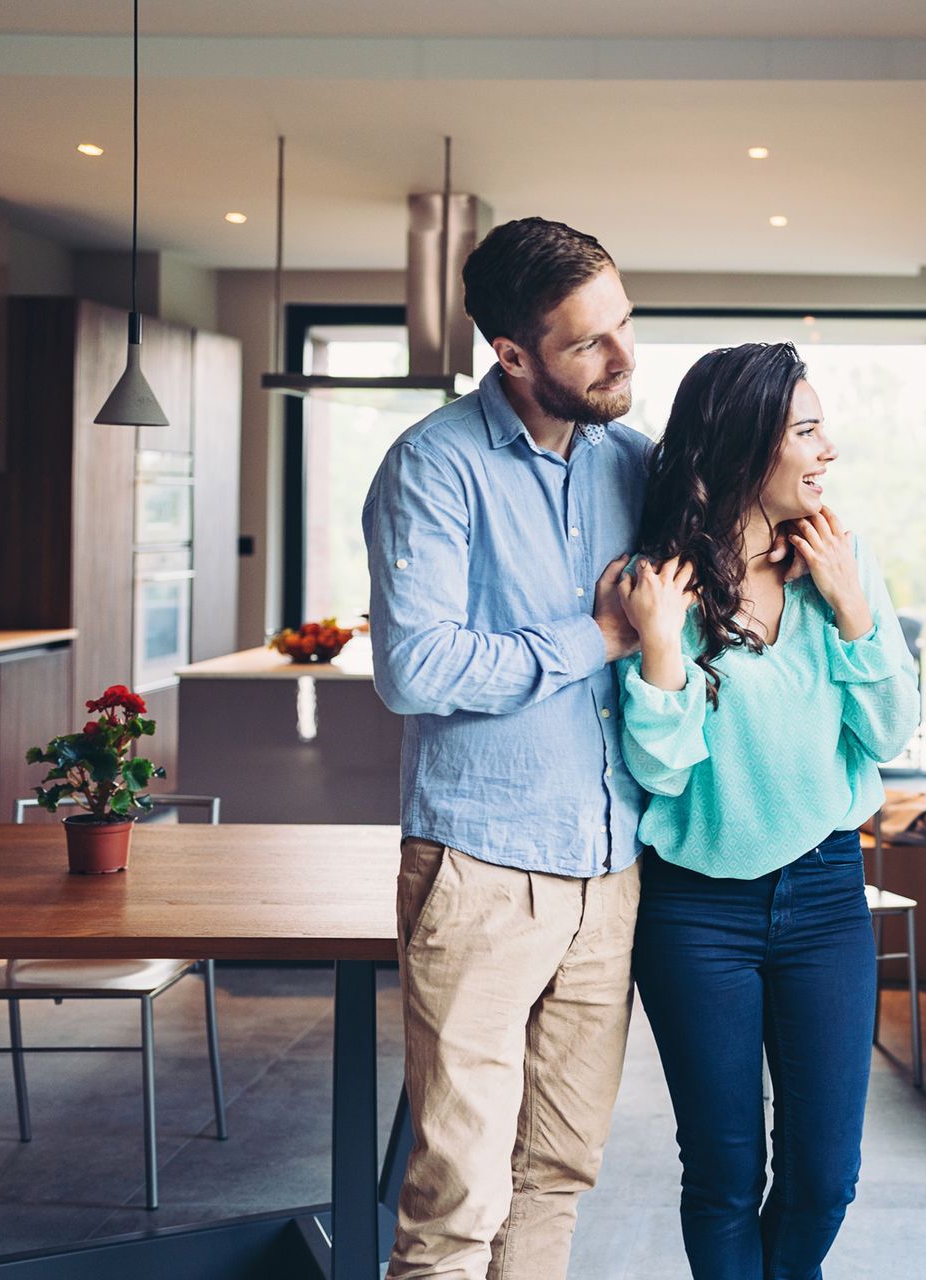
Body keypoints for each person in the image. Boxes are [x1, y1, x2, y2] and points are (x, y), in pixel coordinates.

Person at [362, 216, 650, 1280]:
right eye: (589, 343)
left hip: (609, 869)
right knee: (456, 1201)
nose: (623, 359)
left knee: (559, 1172)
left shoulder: (634, 460)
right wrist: (599, 636)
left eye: (625, 324)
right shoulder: (434, 467)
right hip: (481, 866)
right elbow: (416, 668)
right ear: (513, 353)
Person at [616, 342, 920, 1280]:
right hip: (693, 910)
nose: (828, 449)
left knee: (827, 1174)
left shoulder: (841, 558)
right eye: (807, 429)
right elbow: (660, 773)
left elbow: (891, 728)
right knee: (722, 1171)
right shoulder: (657, 581)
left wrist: (855, 608)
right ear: (748, 446)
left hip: (826, 892)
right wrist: (662, 648)